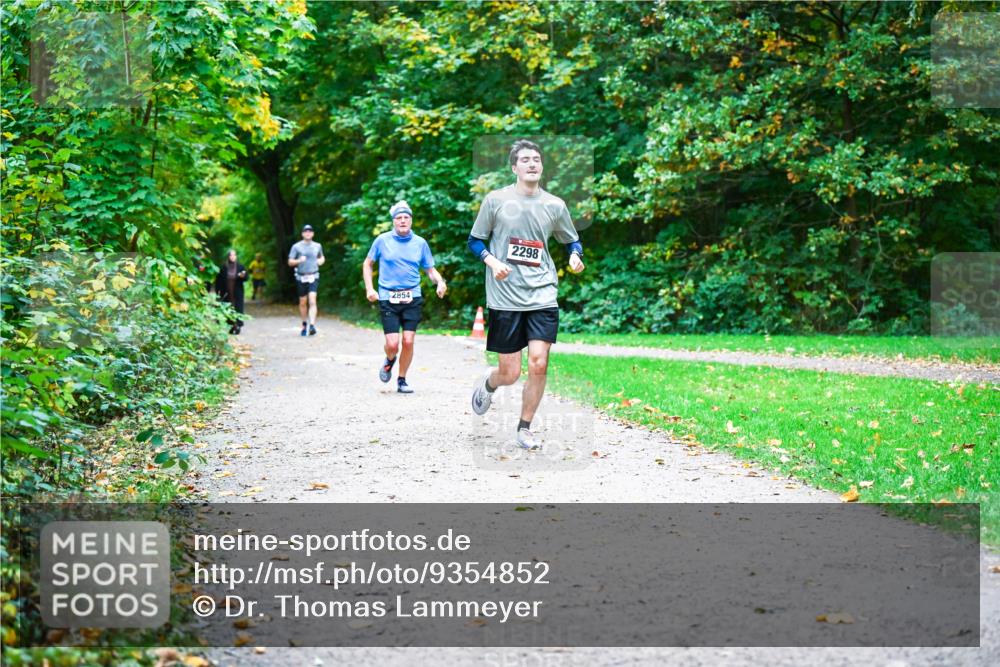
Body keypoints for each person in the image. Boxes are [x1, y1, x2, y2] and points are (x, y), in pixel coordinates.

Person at [467, 139, 585, 449]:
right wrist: (492, 262)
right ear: (514, 167)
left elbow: (572, 241)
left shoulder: (555, 205)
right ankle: (489, 384)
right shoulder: (496, 200)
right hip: (505, 296)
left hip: (542, 293)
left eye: (536, 159)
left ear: (541, 166)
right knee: (510, 372)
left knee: (538, 364)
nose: (532, 163)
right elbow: (475, 241)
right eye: (525, 160)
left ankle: (524, 427)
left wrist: (575, 256)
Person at [363, 200, 447, 394]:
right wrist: (370, 288)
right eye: (399, 218)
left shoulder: (420, 243)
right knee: (392, 344)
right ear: (393, 221)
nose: (402, 221)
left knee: (408, 341)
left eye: (406, 218)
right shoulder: (382, 241)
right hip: (387, 298)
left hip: (412, 298)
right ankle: (390, 359)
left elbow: (430, 269)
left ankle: (402, 379)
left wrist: (440, 282)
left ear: (411, 221)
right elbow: (367, 264)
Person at [288, 224, 325, 336]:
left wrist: (321, 261)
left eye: (310, 231)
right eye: (305, 231)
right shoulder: (296, 247)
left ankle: (312, 325)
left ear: (313, 234)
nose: (308, 233)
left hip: (313, 276)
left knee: (312, 300)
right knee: (303, 302)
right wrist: (299, 260)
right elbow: (290, 262)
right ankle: (304, 324)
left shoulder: (317, 246)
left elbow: (322, 257)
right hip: (301, 276)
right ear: (302, 234)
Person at [214, 249, 248, 335]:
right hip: (226, 292)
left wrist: (242, 276)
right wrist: (217, 292)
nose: (232, 257)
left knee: (237, 308)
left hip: (237, 292)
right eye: (231, 255)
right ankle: (231, 326)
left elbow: (246, 277)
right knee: (228, 308)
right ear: (228, 257)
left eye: (234, 255)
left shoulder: (240, 267)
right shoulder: (224, 267)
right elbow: (218, 280)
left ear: (236, 256)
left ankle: (237, 326)